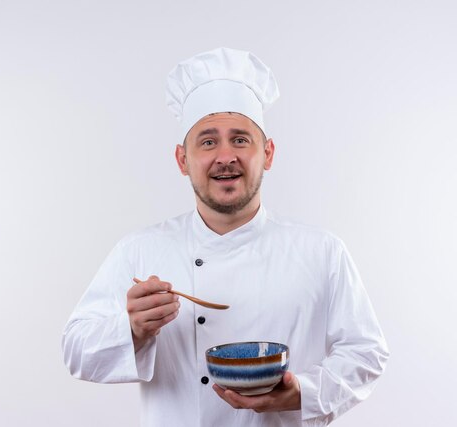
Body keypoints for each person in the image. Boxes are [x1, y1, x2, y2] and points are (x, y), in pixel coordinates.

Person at [62, 47, 389, 426]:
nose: (224, 156)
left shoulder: (322, 251)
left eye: (240, 139)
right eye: (207, 142)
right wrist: (132, 330)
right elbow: (75, 349)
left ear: (267, 153)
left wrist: (304, 392)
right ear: (182, 160)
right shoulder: (141, 250)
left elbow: (366, 353)